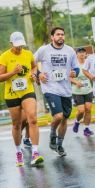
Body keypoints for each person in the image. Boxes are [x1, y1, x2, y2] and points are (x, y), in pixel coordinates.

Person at [0, 31, 44, 166]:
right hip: (12, 94)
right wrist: (13, 72)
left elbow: (34, 66)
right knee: (16, 124)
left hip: (27, 91)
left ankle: (35, 152)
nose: (19, 48)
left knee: (33, 119)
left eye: (21, 45)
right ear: (11, 43)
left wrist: (34, 74)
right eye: (17, 45)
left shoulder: (28, 54)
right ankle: (18, 152)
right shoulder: (4, 57)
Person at [35, 27, 79, 157]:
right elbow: (32, 62)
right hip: (50, 88)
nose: (61, 36)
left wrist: (74, 72)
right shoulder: (44, 50)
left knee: (65, 118)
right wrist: (39, 74)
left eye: (62, 34)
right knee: (58, 116)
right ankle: (52, 133)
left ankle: (59, 145)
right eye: (58, 34)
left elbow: (76, 67)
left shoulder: (70, 50)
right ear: (52, 37)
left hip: (65, 89)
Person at [71, 47, 94, 137]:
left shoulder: (89, 63)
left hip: (88, 89)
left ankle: (86, 129)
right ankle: (77, 122)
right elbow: (68, 77)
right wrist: (76, 82)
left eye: (83, 52)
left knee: (88, 109)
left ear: (85, 54)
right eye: (80, 52)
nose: (82, 54)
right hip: (77, 91)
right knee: (81, 111)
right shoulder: (73, 64)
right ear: (76, 54)